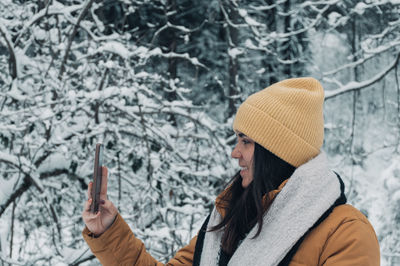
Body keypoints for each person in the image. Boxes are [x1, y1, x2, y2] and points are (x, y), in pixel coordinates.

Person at [82, 77, 380, 265]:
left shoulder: (346, 233)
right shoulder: (232, 216)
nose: (234, 152)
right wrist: (108, 232)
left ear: (278, 153)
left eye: (246, 142)